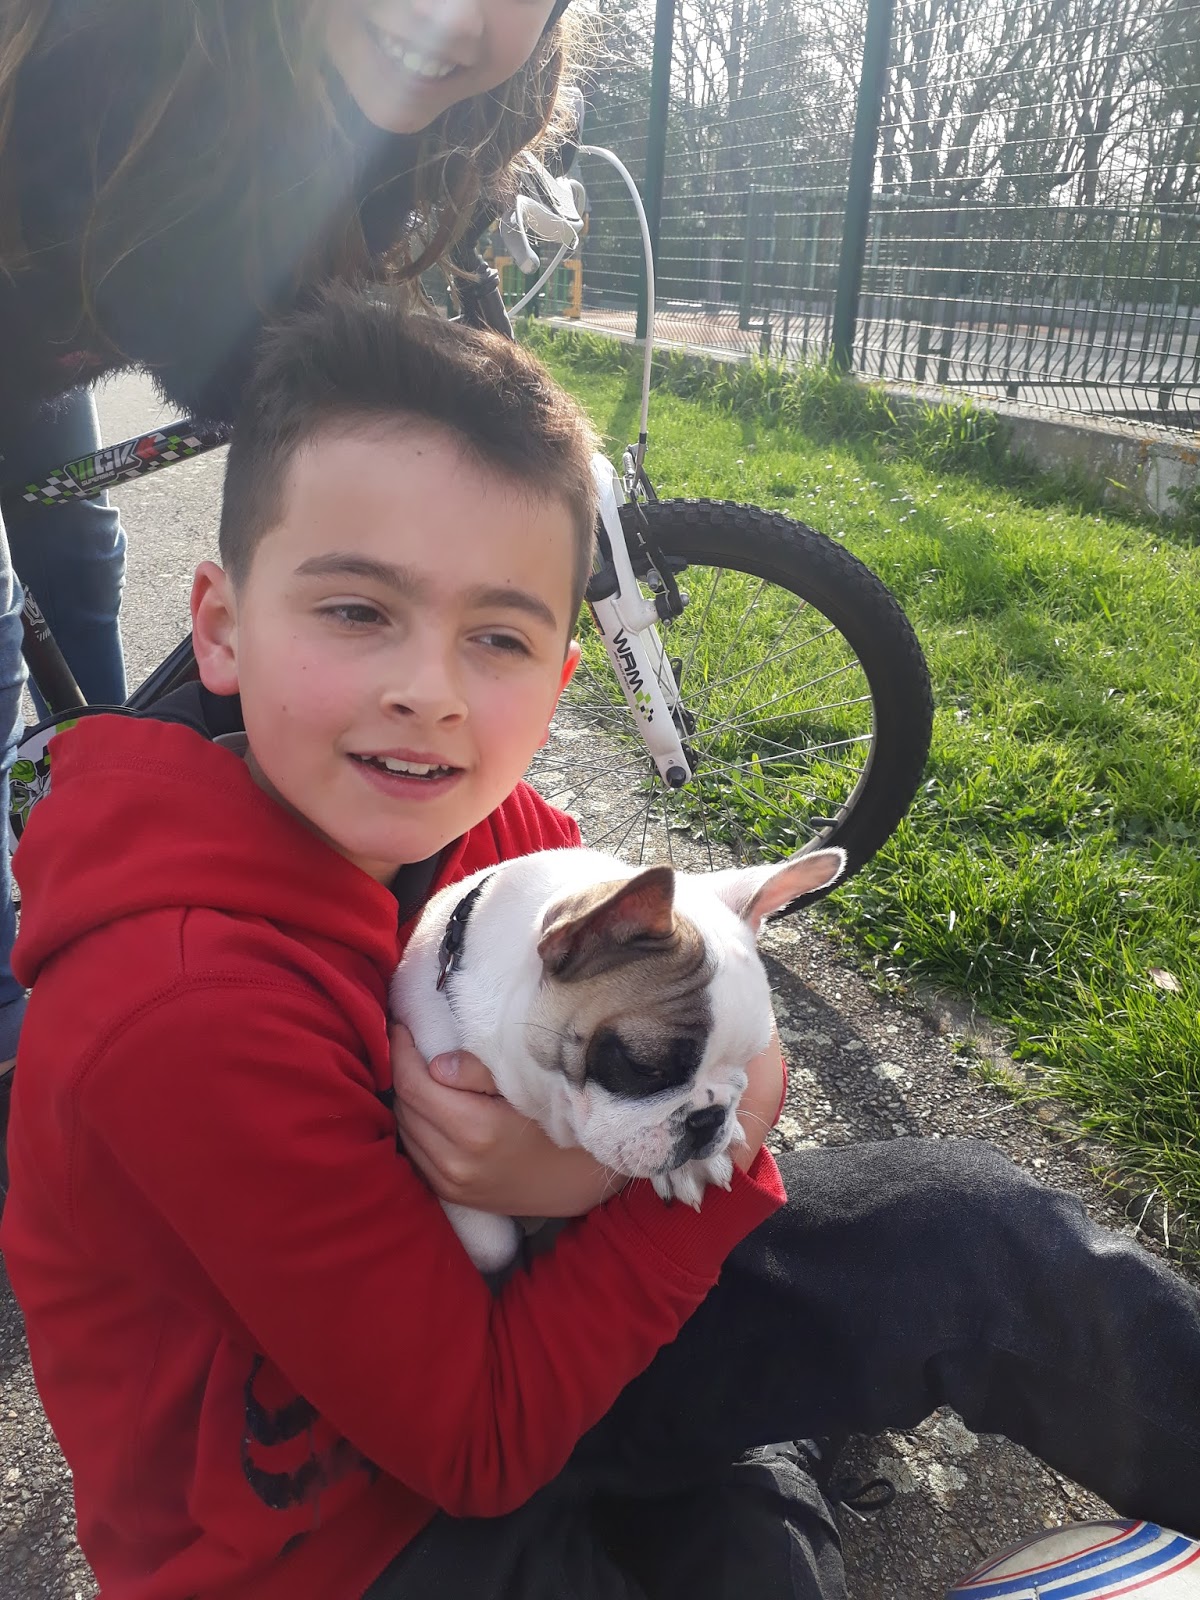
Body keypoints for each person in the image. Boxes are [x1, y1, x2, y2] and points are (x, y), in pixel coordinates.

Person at [4, 291, 1200, 1600]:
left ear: (559, 682)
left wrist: (580, 1176)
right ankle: (767, 1464)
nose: (430, 691)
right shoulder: (178, 1007)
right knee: (755, 1551)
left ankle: (765, 1461)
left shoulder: (489, 831)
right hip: (339, 1534)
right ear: (222, 626)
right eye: (356, 610)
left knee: (980, 1242)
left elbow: (726, 1042)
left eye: (497, 637)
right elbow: (478, 1444)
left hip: (542, 1333)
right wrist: (668, 1178)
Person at [0, 0, 584, 1095]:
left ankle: (107, 775)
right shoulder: (117, 46)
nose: (448, 12)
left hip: (44, 332)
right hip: (44, 295)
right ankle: (11, 1009)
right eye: (360, 613)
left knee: (75, 546)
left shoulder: (453, 94)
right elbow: (227, 345)